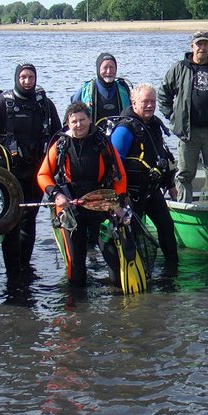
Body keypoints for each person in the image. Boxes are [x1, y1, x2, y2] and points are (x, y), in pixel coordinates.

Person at [0, 63, 61, 276]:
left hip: (37, 171)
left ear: (35, 78)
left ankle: (25, 264)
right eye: (23, 77)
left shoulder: (45, 105)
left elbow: (58, 137)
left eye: (30, 77)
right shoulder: (1, 104)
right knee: (12, 219)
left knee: (30, 217)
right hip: (9, 172)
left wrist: (60, 167)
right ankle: (12, 268)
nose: (27, 81)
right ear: (17, 78)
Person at [37, 101, 128, 288]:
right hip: (72, 207)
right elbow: (43, 174)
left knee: (113, 260)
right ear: (68, 123)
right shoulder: (61, 144)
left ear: (90, 120)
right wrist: (56, 195)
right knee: (76, 267)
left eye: (82, 120)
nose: (79, 125)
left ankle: (119, 305)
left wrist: (117, 204)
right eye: (74, 121)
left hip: (101, 205)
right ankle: (77, 307)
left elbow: (120, 175)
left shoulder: (103, 142)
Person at [158, 31, 208, 202]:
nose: (202, 47)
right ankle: (185, 210)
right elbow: (163, 94)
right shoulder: (180, 68)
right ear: (192, 46)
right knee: (184, 175)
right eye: (199, 44)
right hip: (188, 134)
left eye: (205, 44)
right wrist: (173, 117)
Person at [110, 83, 179, 271]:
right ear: (133, 103)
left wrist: (170, 184)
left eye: (153, 102)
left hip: (151, 190)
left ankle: (172, 269)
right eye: (145, 102)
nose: (150, 105)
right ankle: (136, 274)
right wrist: (120, 198)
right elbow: (112, 166)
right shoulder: (125, 129)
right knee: (134, 234)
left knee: (166, 226)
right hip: (130, 195)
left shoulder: (154, 125)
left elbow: (162, 157)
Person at [70, 53, 131, 122]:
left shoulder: (124, 90)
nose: (109, 71)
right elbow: (70, 117)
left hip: (120, 131)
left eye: (111, 67)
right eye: (105, 67)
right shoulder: (85, 91)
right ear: (98, 69)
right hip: (92, 131)